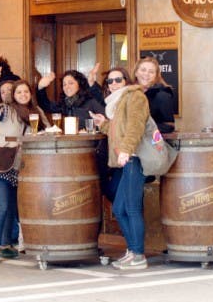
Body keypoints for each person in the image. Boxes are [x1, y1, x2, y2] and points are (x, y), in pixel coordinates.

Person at [0, 68, 50, 263]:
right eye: (18, 92)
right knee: (2, 205)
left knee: (11, 206)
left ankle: (5, 244)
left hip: (22, 166)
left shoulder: (36, 112)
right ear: (13, 95)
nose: (22, 95)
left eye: (25, 92)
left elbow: (48, 131)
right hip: (1, 162)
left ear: (30, 94)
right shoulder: (6, 109)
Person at [92, 67, 150, 270]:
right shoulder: (117, 103)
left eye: (118, 79)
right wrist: (104, 124)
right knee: (118, 207)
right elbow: (119, 130)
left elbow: (136, 126)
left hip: (134, 158)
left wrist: (126, 150)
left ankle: (138, 255)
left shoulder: (135, 96)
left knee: (131, 207)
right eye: (110, 81)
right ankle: (133, 250)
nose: (114, 84)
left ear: (126, 80)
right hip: (126, 159)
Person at [36, 70, 105, 129]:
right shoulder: (66, 103)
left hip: (93, 143)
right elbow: (47, 106)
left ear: (79, 84)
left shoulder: (91, 100)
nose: (67, 87)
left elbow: (105, 115)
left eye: (71, 83)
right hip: (73, 143)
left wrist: (93, 85)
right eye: (64, 84)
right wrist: (41, 88)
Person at [133, 56, 175, 134]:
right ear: (136, 73)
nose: (146, 74)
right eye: (143, 70)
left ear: (156, 76)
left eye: (151, 72)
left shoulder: (163, 96)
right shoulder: (129, 94)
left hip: (152, 143)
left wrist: (141, 127)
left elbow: (169, 126)